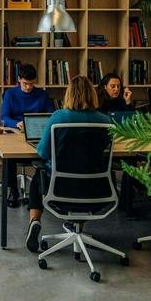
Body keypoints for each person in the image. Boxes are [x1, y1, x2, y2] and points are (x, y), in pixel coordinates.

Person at [25, 75, 111, 252]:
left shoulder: (59, 118)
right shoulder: (105, 121)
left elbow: (42, 152)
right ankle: (75, 225)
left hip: (61, 188)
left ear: (69, 95)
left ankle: (34, 220)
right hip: (97, 189)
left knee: (38, 175)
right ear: (93, 95)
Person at [0, 64, 54, 207]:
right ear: (18, 79)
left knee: (51, 149)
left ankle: (46, 190)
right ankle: (13, 190)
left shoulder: (43, 95)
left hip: (38, 133)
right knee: (9, 154)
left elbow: (51, 116)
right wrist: (17, 123)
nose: (29, 87)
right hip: (16, 131)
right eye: (25, 83)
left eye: (31, 83)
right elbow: (4, 117)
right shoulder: (10, 94)